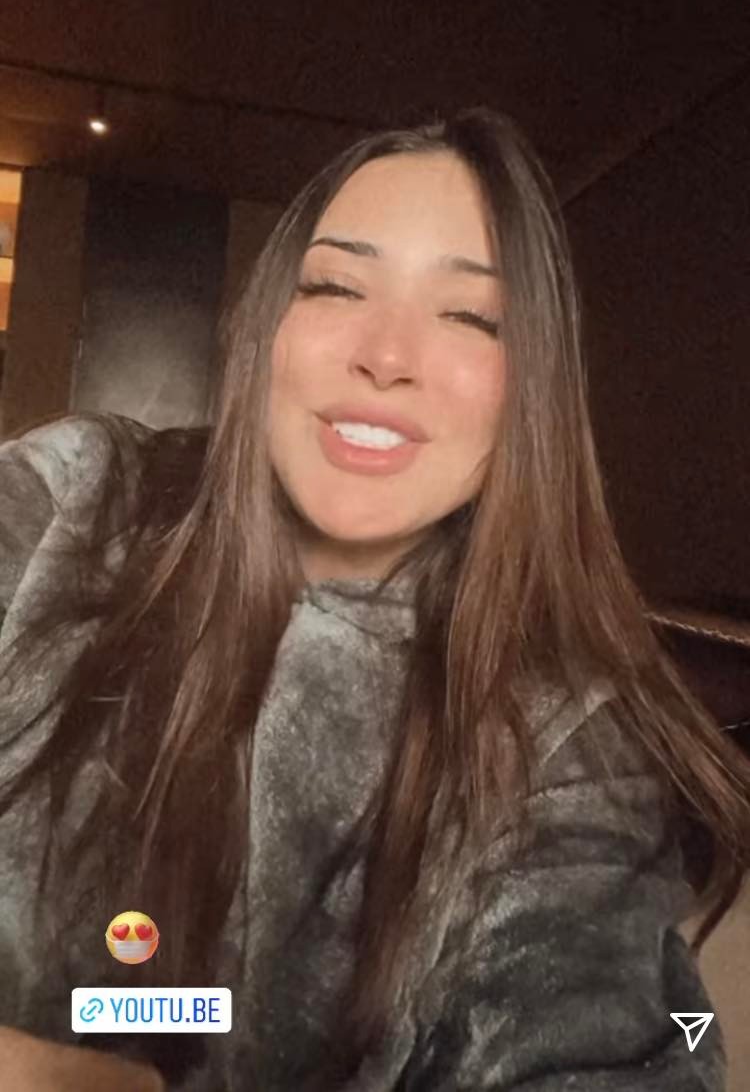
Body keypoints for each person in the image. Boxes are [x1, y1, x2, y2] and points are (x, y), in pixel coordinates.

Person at [0, 107, 748, 1091]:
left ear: (532, 388)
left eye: (470, 315)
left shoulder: (564, 754)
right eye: (338, 285)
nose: (387, 354)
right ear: (270, 325)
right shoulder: (77, 503)